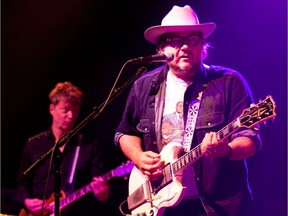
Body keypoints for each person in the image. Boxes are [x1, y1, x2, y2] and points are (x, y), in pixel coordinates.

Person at [114, 5, 262, 216]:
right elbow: (125, 133)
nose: (184, 47)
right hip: (160, 202)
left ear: (202, 45)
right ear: (162, 49)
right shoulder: (144, 86)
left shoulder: (229, 82)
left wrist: (226, 150)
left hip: (216, 206)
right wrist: (138, 157)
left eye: (192, 39)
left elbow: (250, 140)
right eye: (175, 40)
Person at [16, 81, 110, 216]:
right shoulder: (34, 144)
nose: (71, 116)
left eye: (75, 111)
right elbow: (22, 183)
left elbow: (101, 192)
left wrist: (103, 193)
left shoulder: (89, 146)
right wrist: (27, 201)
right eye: (65, 110)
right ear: (52, 109)